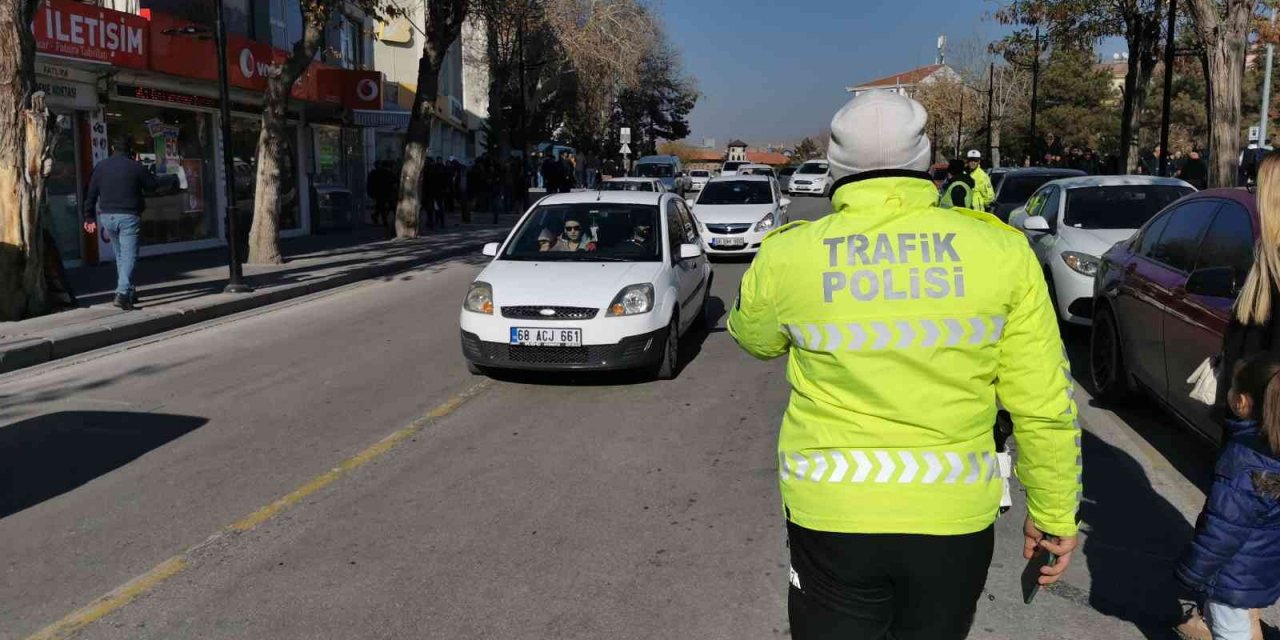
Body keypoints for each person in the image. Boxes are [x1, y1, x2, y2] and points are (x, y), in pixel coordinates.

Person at [727, 90, 1079, 640]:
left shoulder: (791, 253)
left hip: (833, 512)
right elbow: (1042, 403)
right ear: (926, 162)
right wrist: (1055, 515)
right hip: (952, 516)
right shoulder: (1001, 251)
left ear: (836, 167)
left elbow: (754, 338)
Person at [1175, 352, 1280, 640]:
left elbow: (1223, 529)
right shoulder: (1272, 454)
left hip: (1230, 576)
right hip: (1260, 569)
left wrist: (1192, 571)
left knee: (1231, 631)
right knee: (1248, 625)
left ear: (1241, 402)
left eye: (1232, 386)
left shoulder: (1243, 459)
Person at [83, 136, 158, 311]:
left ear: (112, 149)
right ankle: (123, 293)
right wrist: (141, 167)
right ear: (131, 151)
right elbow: (151, 186)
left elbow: (91, 193)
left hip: (107, 217)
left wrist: (89, 217)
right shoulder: (135, 167)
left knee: (120, 256)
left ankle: (129, 291)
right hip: (129, 217)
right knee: (129, 255)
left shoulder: (101, 167)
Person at [367, 161, 395, 230]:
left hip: (379, 193)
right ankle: (384, 221)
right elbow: (392, 182)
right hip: (385, 193)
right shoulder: (387, 173)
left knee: (380, 206)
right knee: (385, 206)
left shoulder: (374, 173)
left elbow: (370, 183)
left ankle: (377, 216)